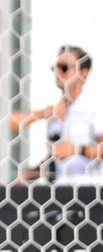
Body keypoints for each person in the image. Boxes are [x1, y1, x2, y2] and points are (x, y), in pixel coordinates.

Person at [9, 46, 103, 184]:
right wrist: (26, 176)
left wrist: (77, 149)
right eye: (55, 68)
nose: (58, 72)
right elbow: (10, 122)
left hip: (89, 191)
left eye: (64, 68)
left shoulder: (94, 107)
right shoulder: (56, 111)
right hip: (60, 191)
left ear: (84, 73)